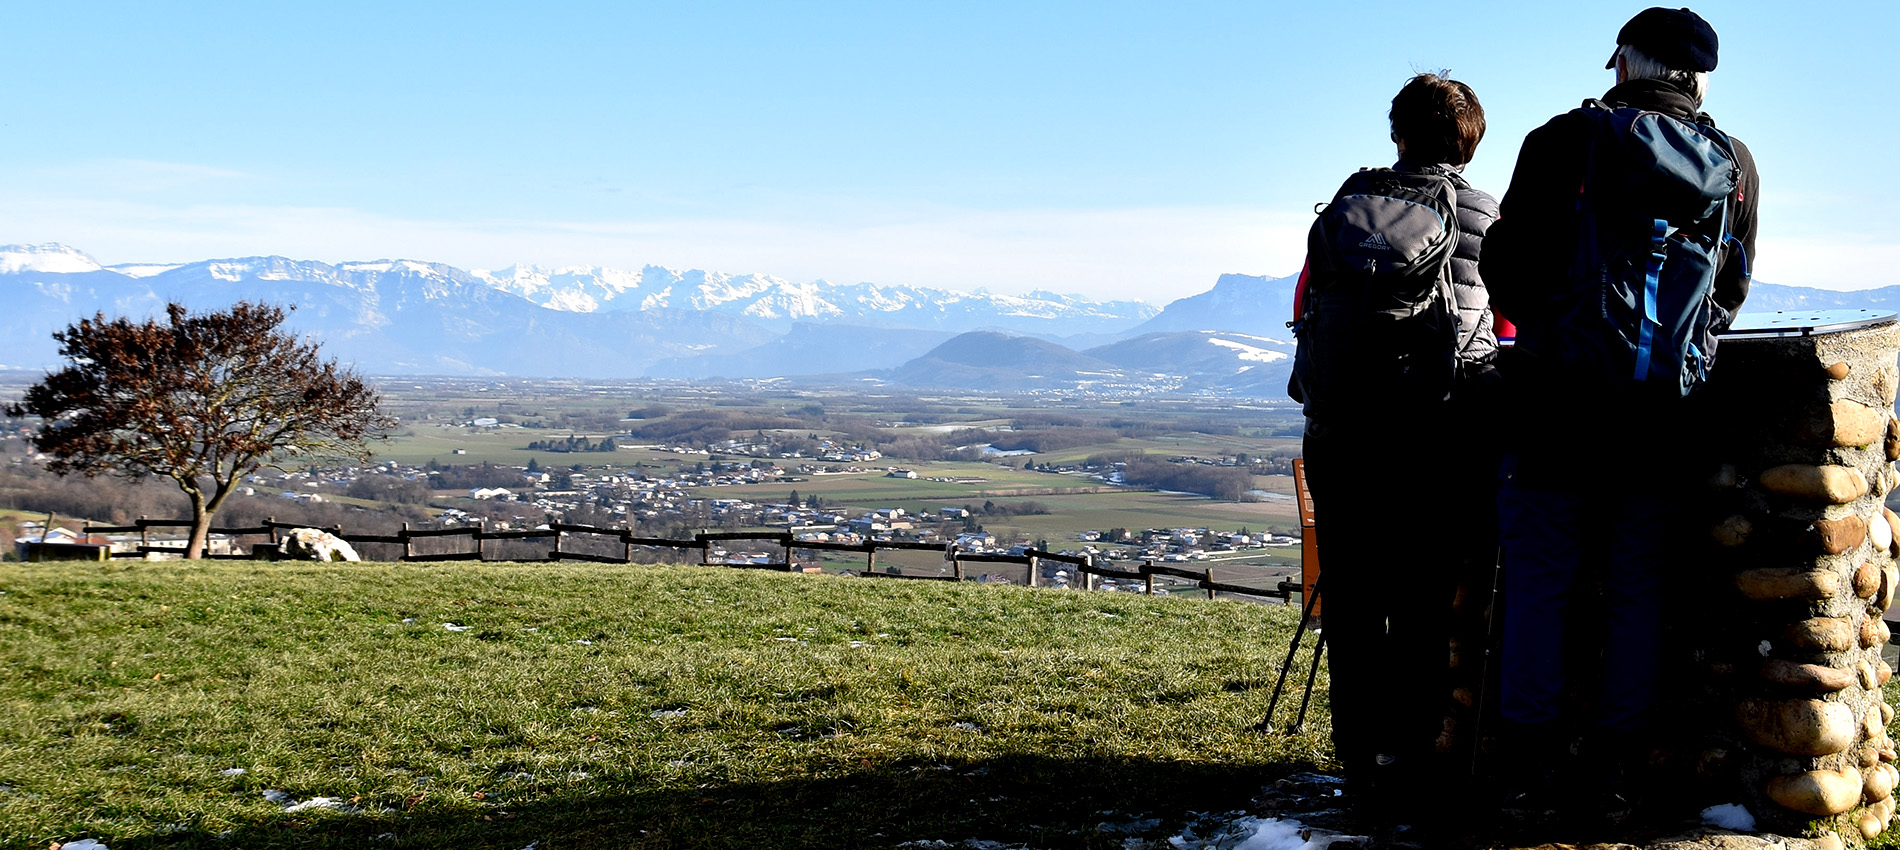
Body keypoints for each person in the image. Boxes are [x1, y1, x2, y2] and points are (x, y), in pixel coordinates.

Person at [1479, 6, 1759, 813]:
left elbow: (1509, 260)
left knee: (1540, 581)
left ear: (1626, 64)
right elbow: (1732, 285)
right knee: (1638, 585)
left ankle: (1527, 767)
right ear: (1699, 76)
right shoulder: (1735, 162)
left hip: (1554, 403)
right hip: (1664, 414)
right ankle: (1614, 769)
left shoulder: (1563, 140)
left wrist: (1549, 331)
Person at [1293, 72, 1499, 816]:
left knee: (1350, 595)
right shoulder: (1484, 213)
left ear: (1397, 132)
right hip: (1439, 433)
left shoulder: (1348, 207)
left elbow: (1307, 308)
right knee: (1423, 600)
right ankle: (1409, 757)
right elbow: (1504, 327)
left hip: (1342, 432)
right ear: (1471, 140)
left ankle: (1356, 763)